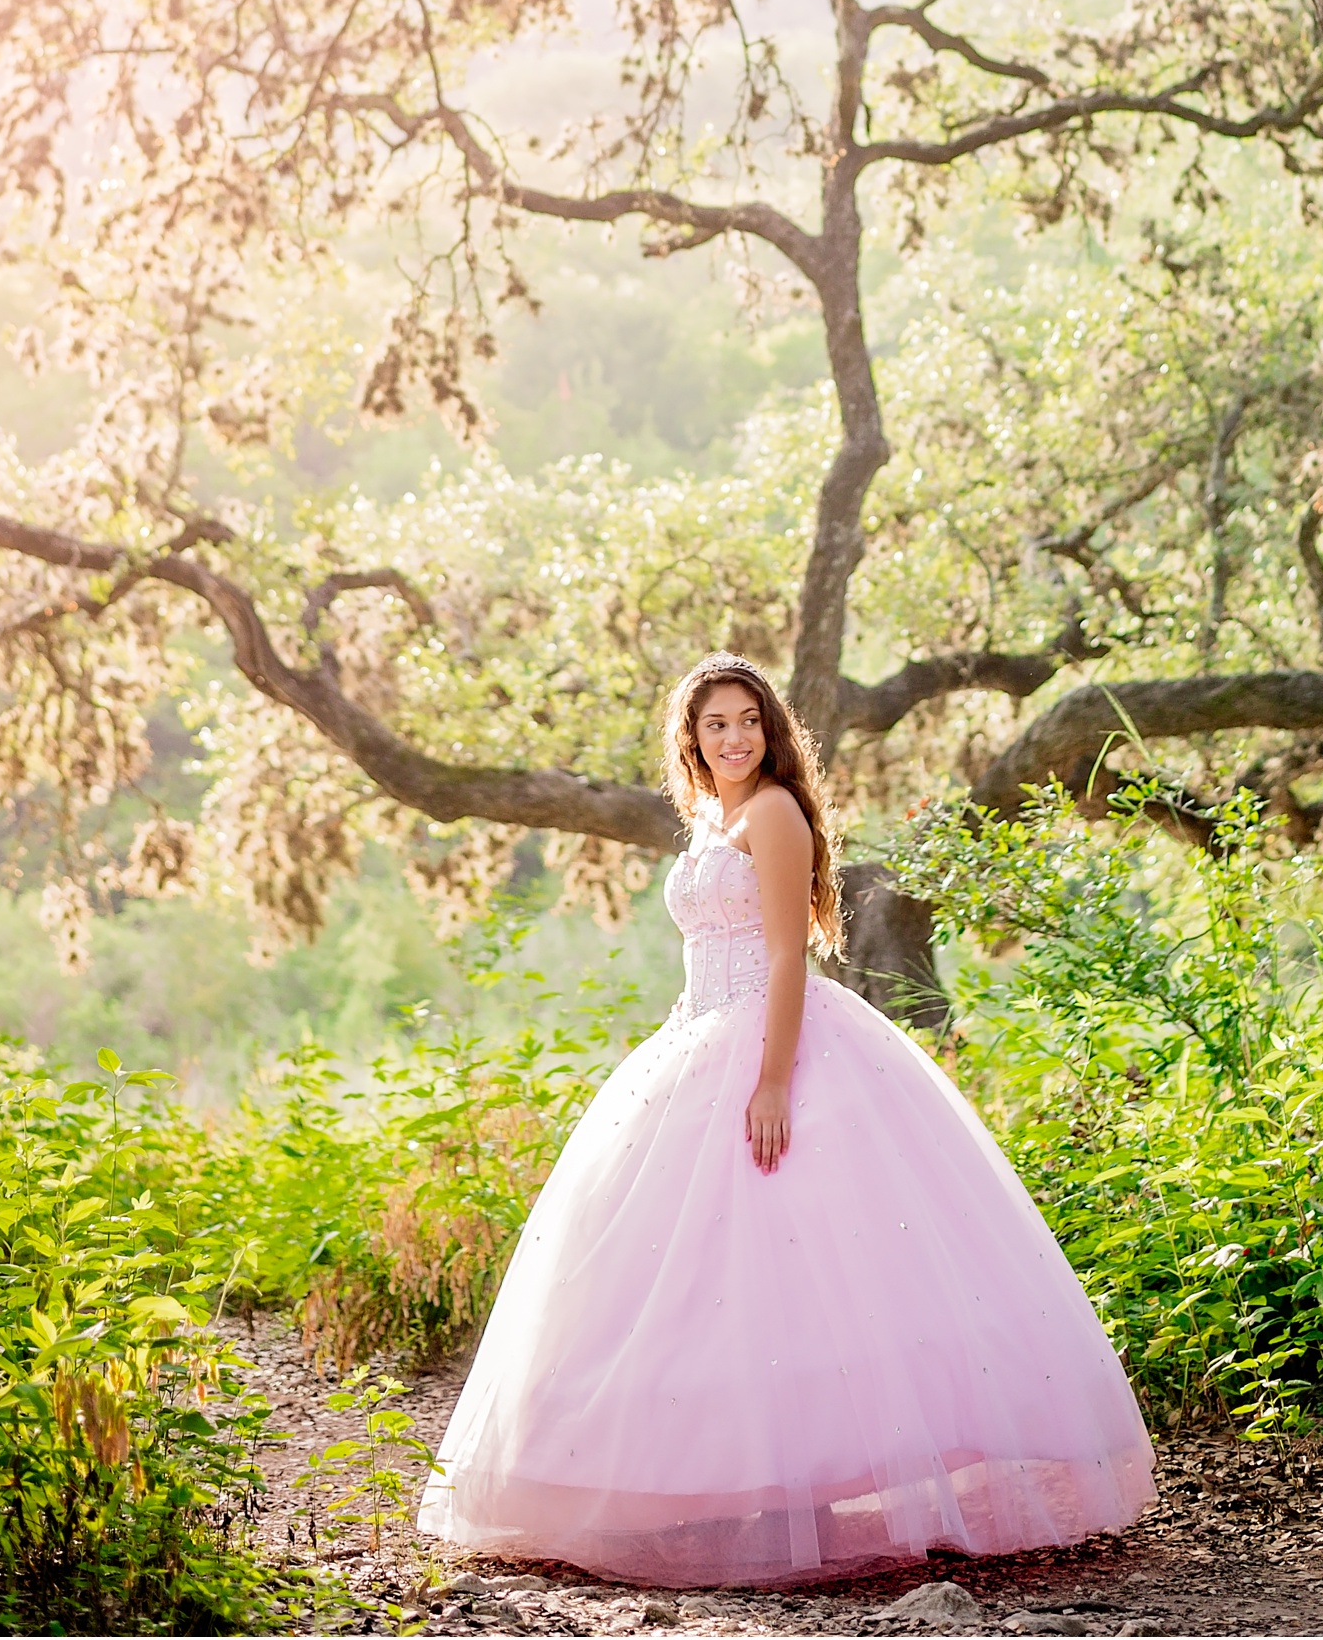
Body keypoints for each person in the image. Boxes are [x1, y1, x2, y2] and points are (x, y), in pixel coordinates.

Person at [418, 653, 1155, 1589]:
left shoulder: (772, 812)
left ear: (771, 733)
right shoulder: (708, 819)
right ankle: (750, 1482)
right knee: (702, 1276)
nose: (734, 738)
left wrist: (770, 1084)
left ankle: (819, 1492)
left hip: (775, 1046)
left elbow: (786, 958)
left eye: (749, 723)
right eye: (716, 724)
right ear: (691, 736)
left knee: (806, 1258)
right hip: (695, 1039)